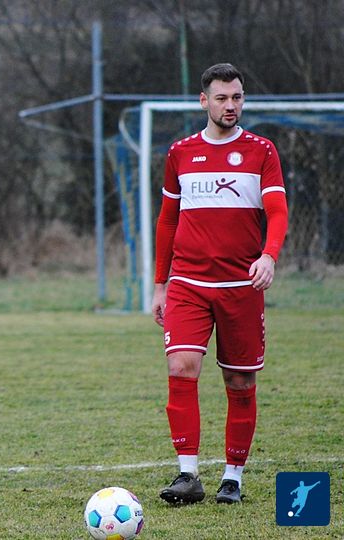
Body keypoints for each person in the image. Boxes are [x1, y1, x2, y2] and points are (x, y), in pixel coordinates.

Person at [151, 63, 288, 505]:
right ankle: (187, 475)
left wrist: (268, 255)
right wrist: (160, 284)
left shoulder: (261, 151)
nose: (231, 106)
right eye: (222, 98)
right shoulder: (181, 152)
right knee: (181, 366)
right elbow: (167, 221)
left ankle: (233, 477)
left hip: (241, 286)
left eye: (237, 97)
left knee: (240, 381)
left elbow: (278, 212)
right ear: (204, 101)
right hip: (188, 282)